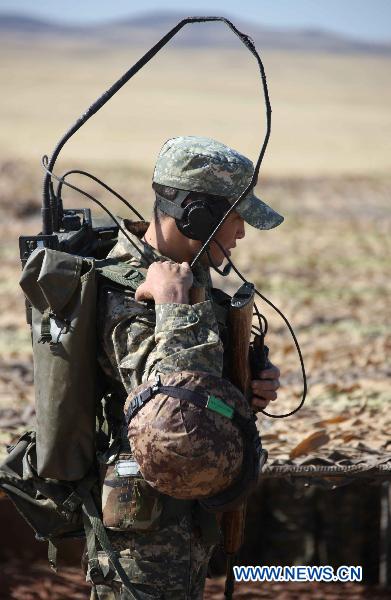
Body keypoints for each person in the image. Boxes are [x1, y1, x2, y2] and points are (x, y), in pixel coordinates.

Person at [88, 136, 283, 599]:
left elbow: (203, 390)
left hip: (184, 524)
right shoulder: (127, 290)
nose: (240, 235)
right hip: (141, 544)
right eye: (236, 219)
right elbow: (176, 415)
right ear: (200, 215)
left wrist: (244, 387)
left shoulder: (185, 273)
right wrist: (174, 305)